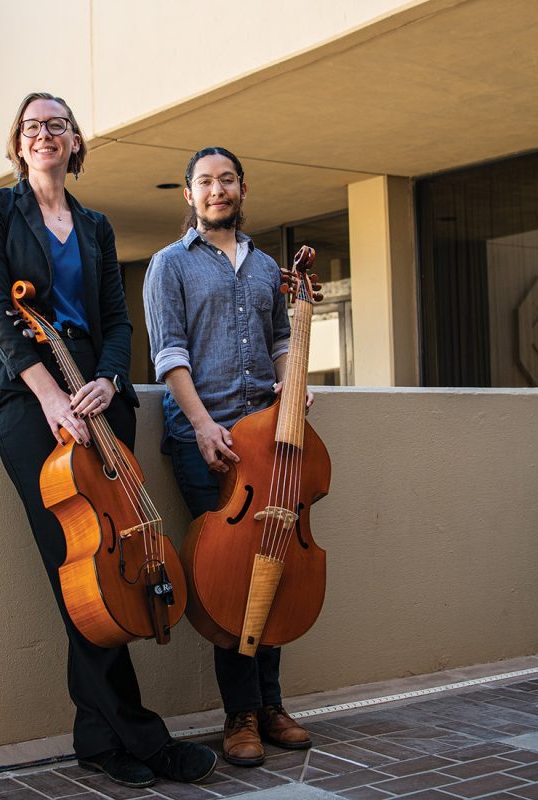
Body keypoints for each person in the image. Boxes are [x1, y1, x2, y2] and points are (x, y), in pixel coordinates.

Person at [0, 93, 217, 789]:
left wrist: (109, 381)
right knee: (76, 569)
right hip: (29, 399)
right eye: (31, 126)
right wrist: (51, 397)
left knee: (112, 562)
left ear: (76, 143)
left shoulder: (96, 225)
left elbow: (117, 318)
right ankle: (145, 737)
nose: (44, 134)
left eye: (58, 125)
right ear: (17, 144)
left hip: (101, 398)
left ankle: (97, 741)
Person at [143, 146, 314, 767]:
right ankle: (239, 714)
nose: (217, 190)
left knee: (275, 560)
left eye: (227, 179)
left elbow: (278, 340)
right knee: (229, 577)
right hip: (204, 440)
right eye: (205, 182)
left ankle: (272, 705)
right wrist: (202, 423)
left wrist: (292, 382)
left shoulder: (268, 266)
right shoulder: (168, 265)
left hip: (266, 439)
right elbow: (169, 355)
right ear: (189, 196)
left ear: (243, 188)